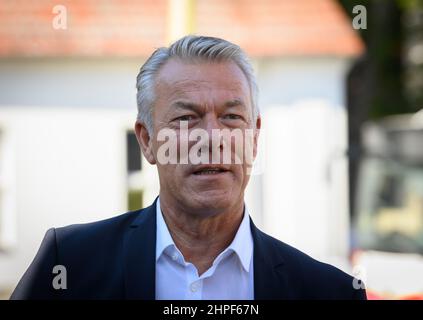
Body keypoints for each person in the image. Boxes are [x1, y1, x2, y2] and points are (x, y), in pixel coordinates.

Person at [11, 35, 366, 300]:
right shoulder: (68, 266)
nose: (212, 138)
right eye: (186, 118)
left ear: (254, 139)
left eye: (231, 117)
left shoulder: (329, 293)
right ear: (147, 140)